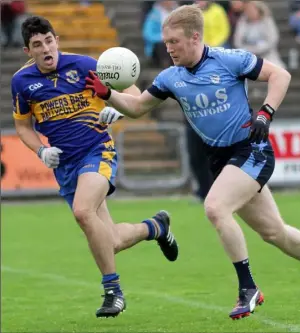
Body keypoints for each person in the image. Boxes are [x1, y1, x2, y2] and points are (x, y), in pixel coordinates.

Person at [85, 4, 300, 320]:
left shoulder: (228, 60)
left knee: (215, 207)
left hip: (251, 149)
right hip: (222, 160)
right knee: (274, 232)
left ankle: (248, 288)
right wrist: (108, 94)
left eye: (174, 42)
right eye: (166, 42)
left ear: (195, 37)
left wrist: (265, 113)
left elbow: (280, 74)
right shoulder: (171, 77)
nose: (168, 48)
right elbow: (138, 106)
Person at [11, 16, 179, 319]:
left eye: (49, 40)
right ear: (28, 51)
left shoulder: (86, 66)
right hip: (65, 165)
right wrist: (41, 150)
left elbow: (135, 96)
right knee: (110, 241)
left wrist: (116, 108)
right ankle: (156, 227)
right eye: (38, 45)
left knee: (82, 211)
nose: (46, 48)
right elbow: (23, 127)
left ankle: (113, 291)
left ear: (57, 39)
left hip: (98, 150)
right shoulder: (22, 83)